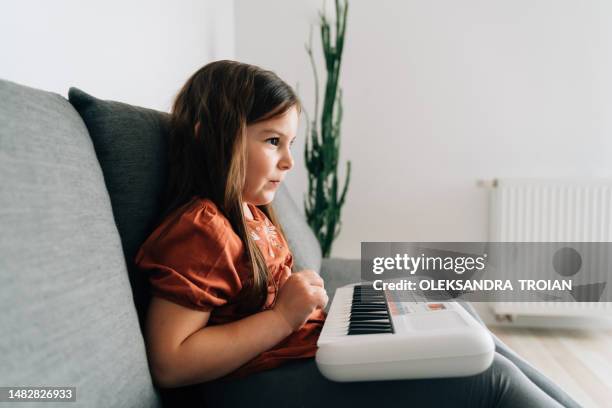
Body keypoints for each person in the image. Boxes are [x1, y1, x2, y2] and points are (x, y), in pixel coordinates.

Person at [135, 60, 569, 407]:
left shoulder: (251, 210)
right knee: (492, 380)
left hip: (299, 354)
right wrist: (282, 317)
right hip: (254, 384)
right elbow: (171, 362)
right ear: (209, 138)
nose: (289, 161)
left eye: (290, 144)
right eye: (272, 141)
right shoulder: (202, 229)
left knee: (471, 333)